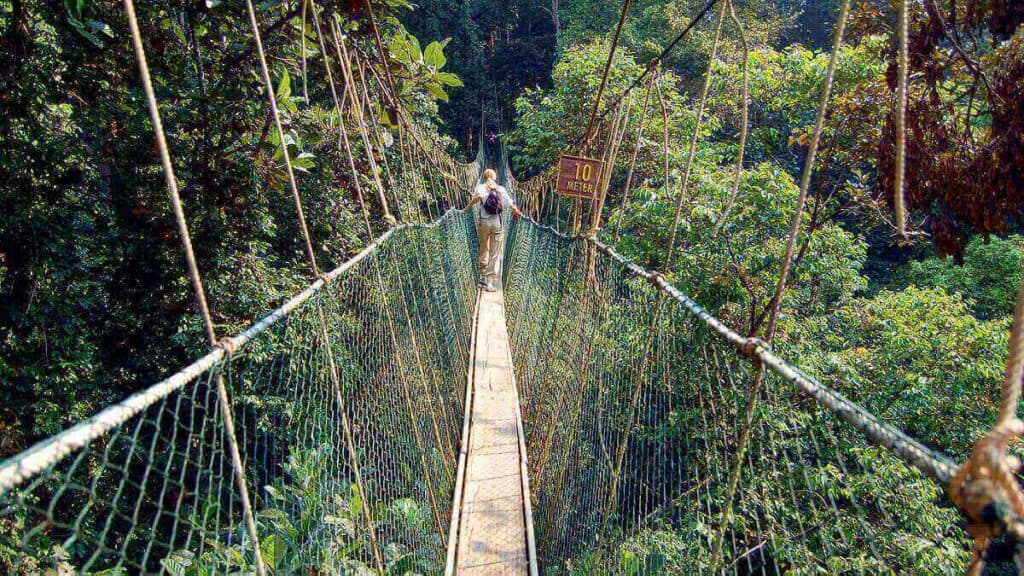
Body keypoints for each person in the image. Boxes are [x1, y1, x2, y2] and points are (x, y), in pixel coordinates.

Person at [464, 168, 522, 292]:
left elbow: (478, 197)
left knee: (484, 247)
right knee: (495, 252)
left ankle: (482, 277)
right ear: (495, 177)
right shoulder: (500, 189)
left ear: (484, 177)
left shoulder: (481, 187)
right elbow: (510, 203)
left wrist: (466, 209)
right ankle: (489, 283)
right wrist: (516, 210)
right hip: (497, 222)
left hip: (484, 222)